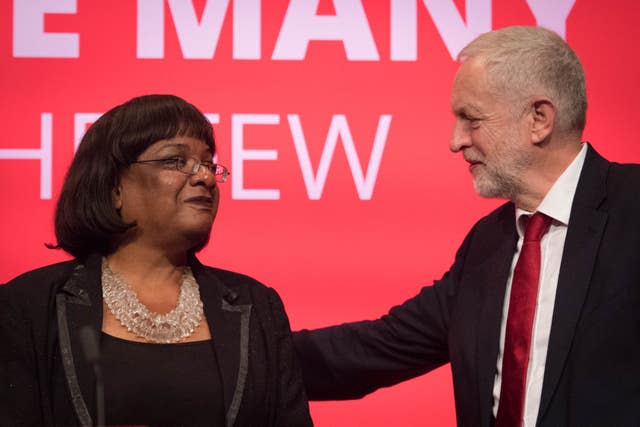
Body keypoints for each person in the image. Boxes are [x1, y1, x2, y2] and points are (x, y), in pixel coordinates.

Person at [294, 26, 640, 426]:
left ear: (539, 119)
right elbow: (377, 348)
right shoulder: (487, 242)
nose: (455, 141)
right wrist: (235, 351)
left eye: (471, 119)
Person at [0, 94, 312, 426]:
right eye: (176, 161)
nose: (205, 177)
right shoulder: (27, 306)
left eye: (208, 163)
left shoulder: (257, 305)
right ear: (113, 188)